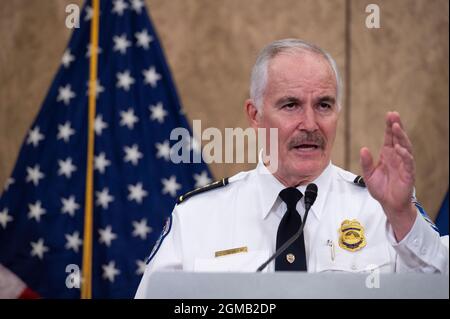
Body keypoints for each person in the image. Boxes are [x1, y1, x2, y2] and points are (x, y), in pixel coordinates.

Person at [135, 39, 449, 297]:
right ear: (255, 115)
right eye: (291, 105)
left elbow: (436, 289)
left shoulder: (384, 211)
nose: (310, 124)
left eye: (324, 105)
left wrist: (402, 215)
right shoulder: (196, 218)